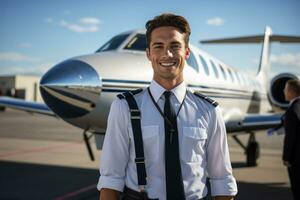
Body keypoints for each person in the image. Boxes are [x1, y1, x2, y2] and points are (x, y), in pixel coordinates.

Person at [97, 13, 237, 200]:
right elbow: (110, 180)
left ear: (187, 52)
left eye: (175, 46)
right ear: (148, 53)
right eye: (158, 46)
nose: (167, 54)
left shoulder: (210, 111)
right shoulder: (123, 107)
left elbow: (222, 181)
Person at [282, 80, 300, 200]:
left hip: (296, 159)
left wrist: (286, 157)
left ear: (291, 92)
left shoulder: (292, 110)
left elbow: (290, 137)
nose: (284, 91)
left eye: (285, 89)